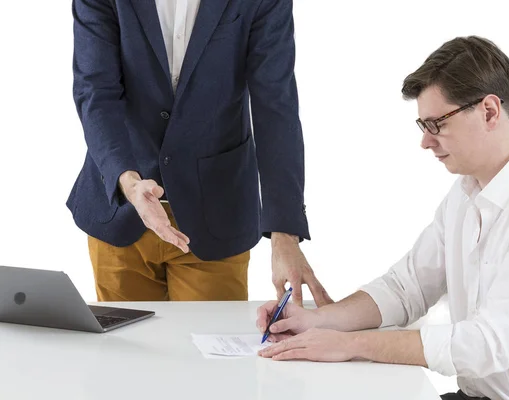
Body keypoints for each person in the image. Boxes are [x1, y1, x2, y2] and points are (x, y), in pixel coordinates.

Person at [256, 36, 509, 400]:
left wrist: (350, 344)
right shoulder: (467, 194)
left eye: (436, 124)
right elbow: (406, 290)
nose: (425, 142)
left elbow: (487, 345)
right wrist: (316, 321)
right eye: (422, 125)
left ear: (489, 111)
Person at [67, 0, 332, 306]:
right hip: (122, 206)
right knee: (125, 351)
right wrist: (128, 182)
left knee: (211, 350)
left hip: (216, 210)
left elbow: (275, 106)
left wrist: (285, 233)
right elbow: (95, 91)